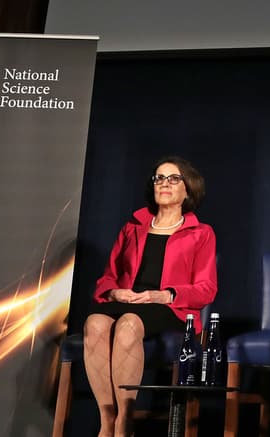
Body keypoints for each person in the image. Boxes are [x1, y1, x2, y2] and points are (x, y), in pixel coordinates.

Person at [83, 157, 218, 437]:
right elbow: (107, 276)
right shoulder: (133, 226)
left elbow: (206, 289)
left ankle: (125, 423)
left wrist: (165, 295)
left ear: (188, 189)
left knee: (129, 324)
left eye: (173, 178)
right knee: (95, 322)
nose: (164, 184)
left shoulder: (201, 233)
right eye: (159, 178)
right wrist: (114, 291)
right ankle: (107, 421)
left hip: (172, 308)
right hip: (129, 301)